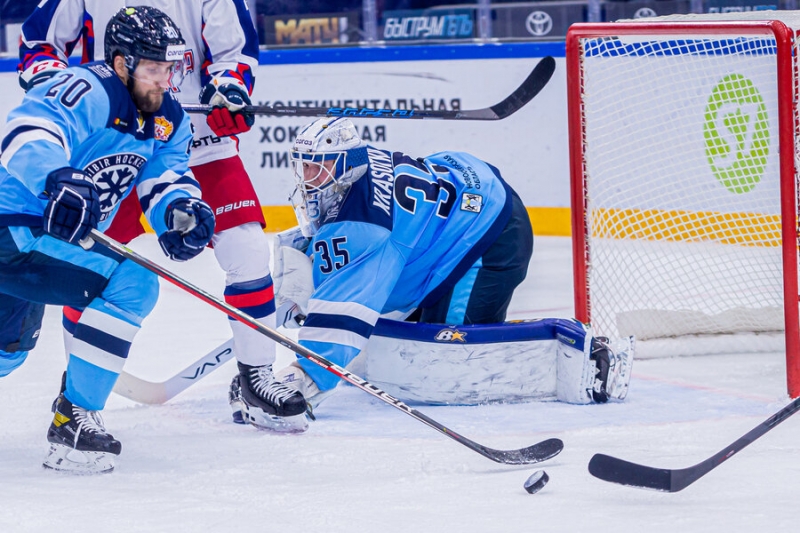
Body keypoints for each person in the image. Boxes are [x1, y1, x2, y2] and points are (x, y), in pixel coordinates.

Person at [19, 0, 307, 433]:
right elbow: (39, 42)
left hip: (195, 143)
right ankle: (77, 394)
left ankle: (255, 375)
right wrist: (64, 85)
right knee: (85, 262)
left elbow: (235, 52)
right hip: (112, 141)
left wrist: (228, 89)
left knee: (247, 248)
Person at [256, 117, 635, 416]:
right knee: (408, 341)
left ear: (346, 165)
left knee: (455, 352)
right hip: (457, 208)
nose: (308, 179)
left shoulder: (366, 225)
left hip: (488, 231)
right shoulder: (354, 170)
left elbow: (348, 308)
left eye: (317, 168)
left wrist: (304, 379)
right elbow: (319, 244)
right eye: (304, 167)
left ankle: (590, 354)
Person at [0, 6, 215, 473]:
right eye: (154, 68)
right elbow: (27, 129)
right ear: (122, 64)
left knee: (7, 352)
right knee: (134, 282)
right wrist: (57, 176)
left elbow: (165, 179)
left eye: (170, 69)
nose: (164, 80)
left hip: (45, 240)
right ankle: (73, 420)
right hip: (14, 227)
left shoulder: (168, 120)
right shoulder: (89, 88)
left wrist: (179, 213)